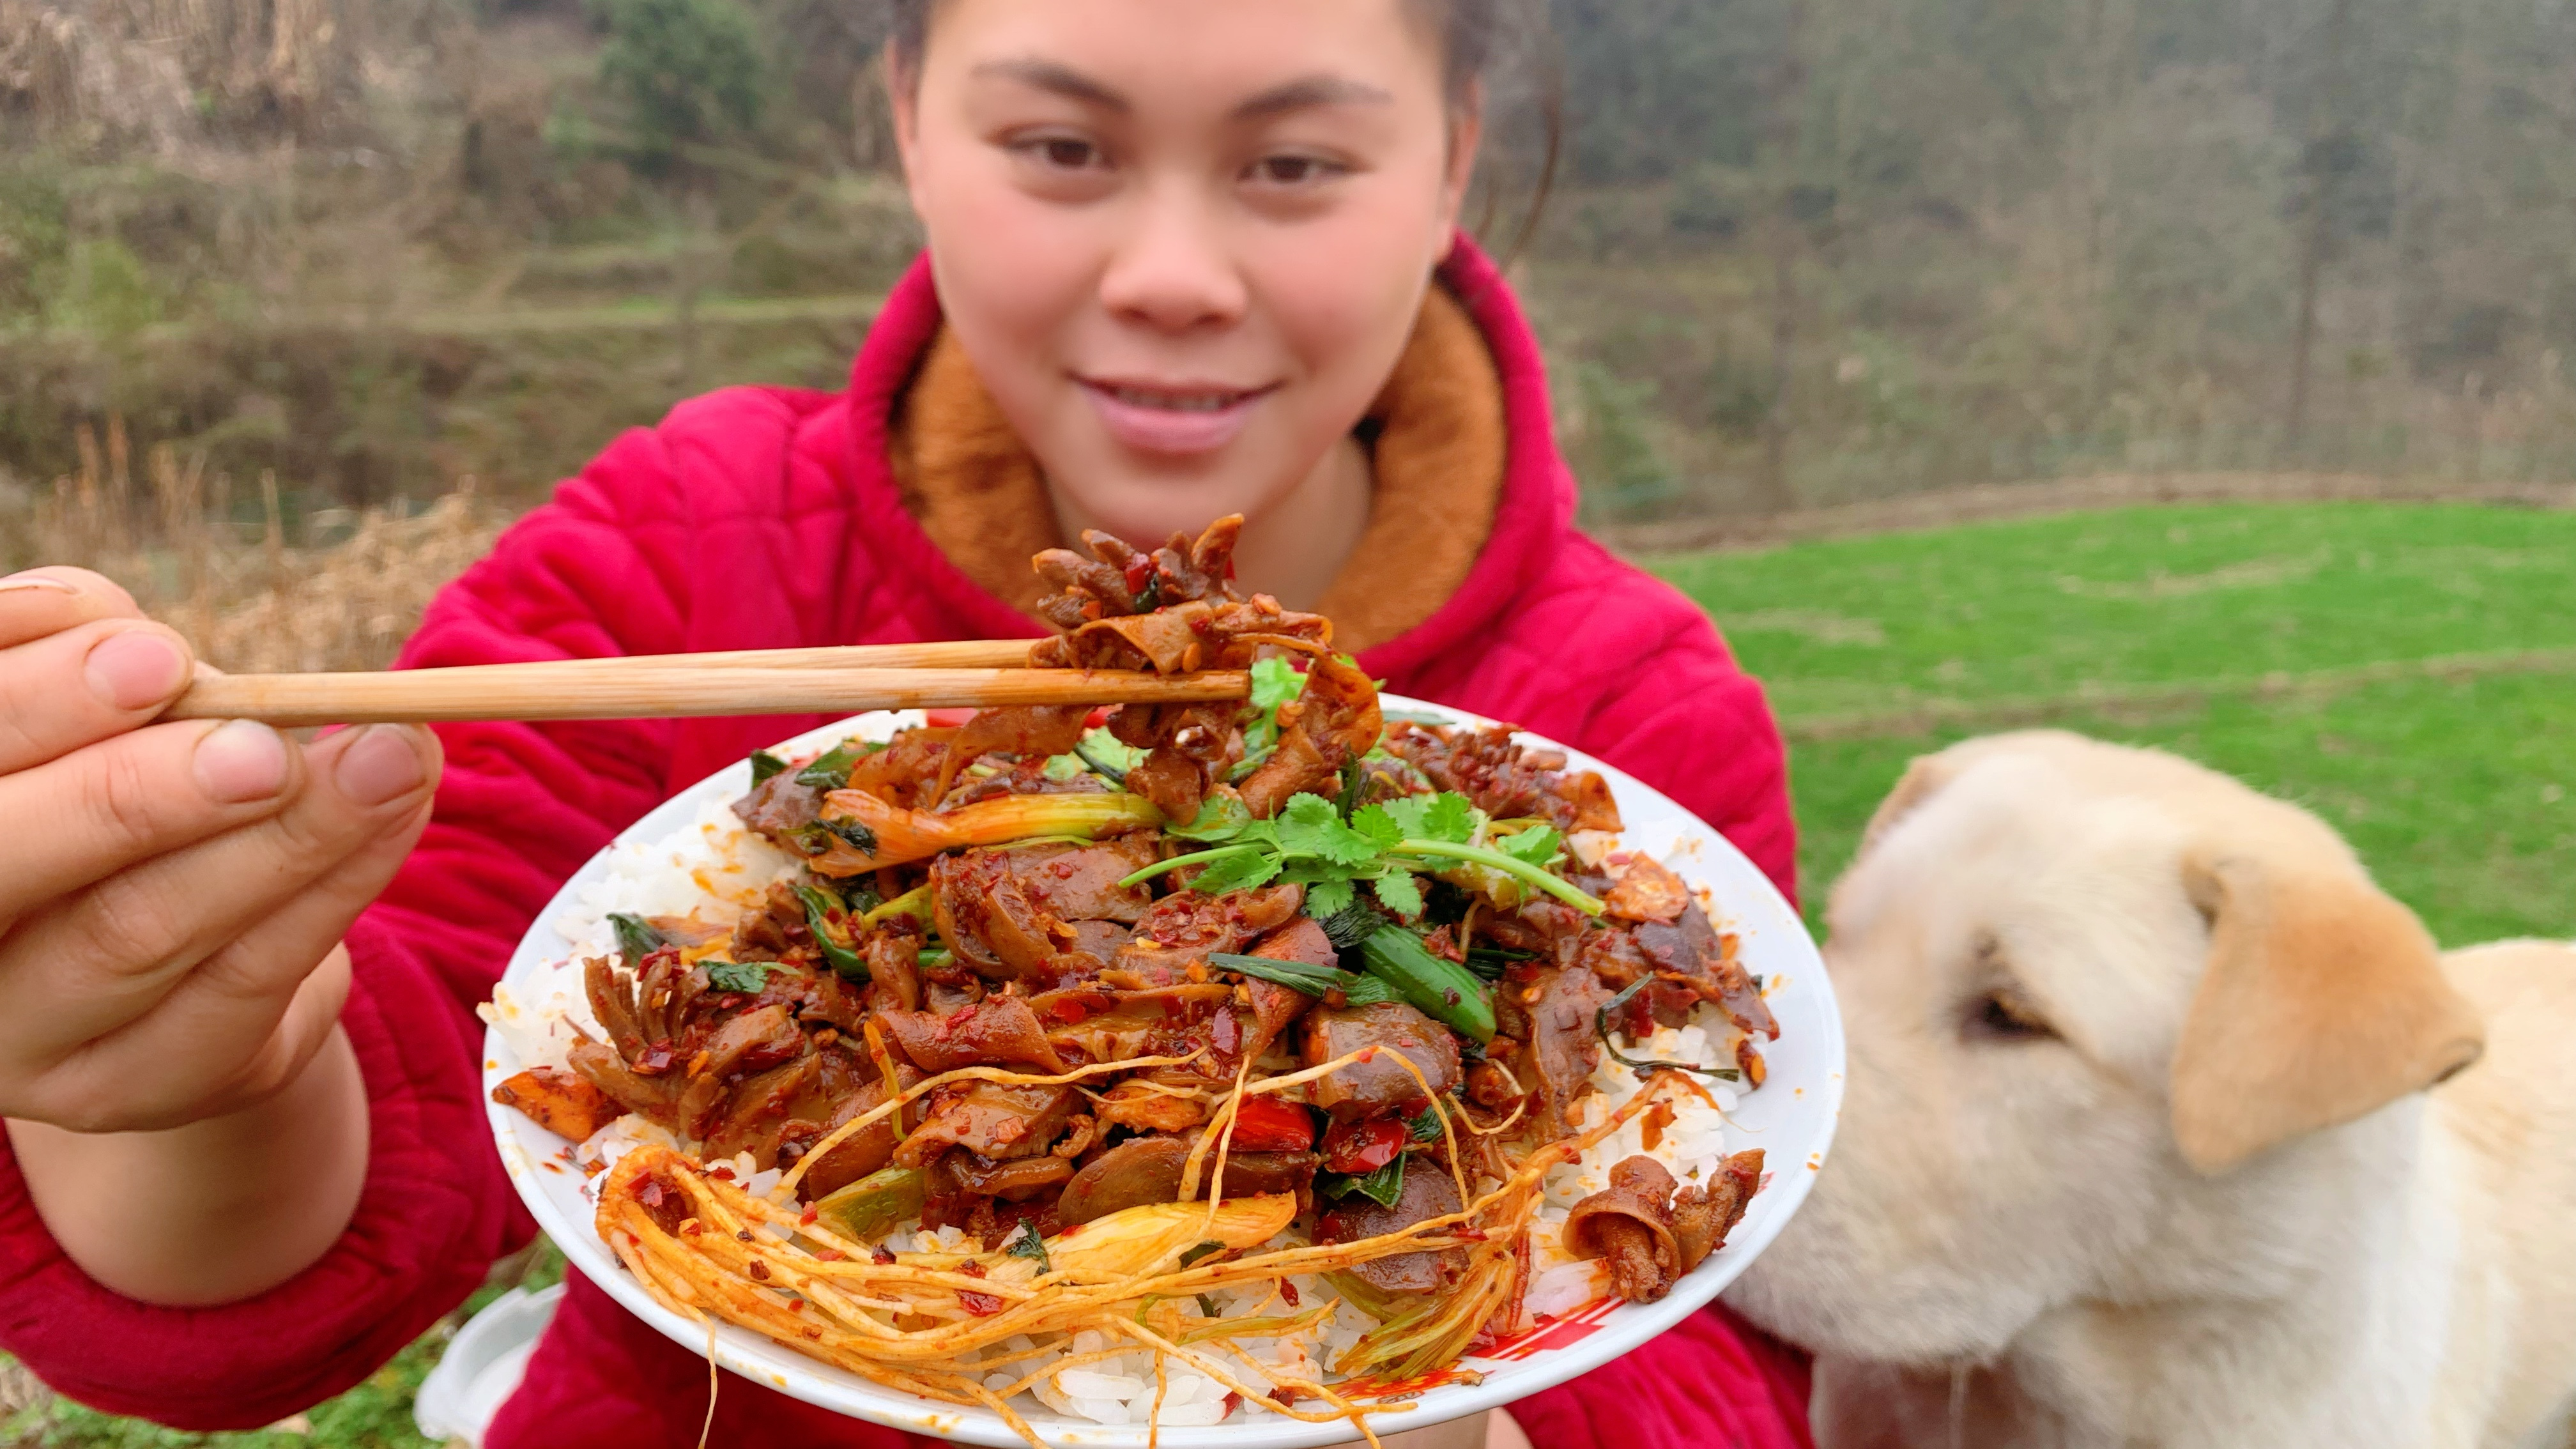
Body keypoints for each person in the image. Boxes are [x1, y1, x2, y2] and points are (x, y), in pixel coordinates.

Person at [0, 2, 1812, 1445]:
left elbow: (1720, 1330)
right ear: (907, 123)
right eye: (1062, 147)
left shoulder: (1636, 718)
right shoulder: (680, 545)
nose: (1173, 273)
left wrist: (1465, 1409)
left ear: (1453, 161)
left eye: (1294, 162)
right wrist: (187, 1064)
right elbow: (400, 1101)